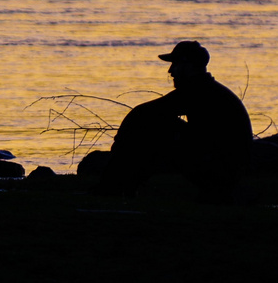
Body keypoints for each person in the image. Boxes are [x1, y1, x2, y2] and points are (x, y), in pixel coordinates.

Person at [103, 41, 252, 201]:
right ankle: (122, 184)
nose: (170, 71)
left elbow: (144, 113)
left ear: (187, 65)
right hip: (227, 166)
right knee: (159, 125)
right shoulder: (207, 89)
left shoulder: (198, 91)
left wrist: (120, 144)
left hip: (222, 170)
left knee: (160, 127)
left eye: (175, 64)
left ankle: (117, 185)